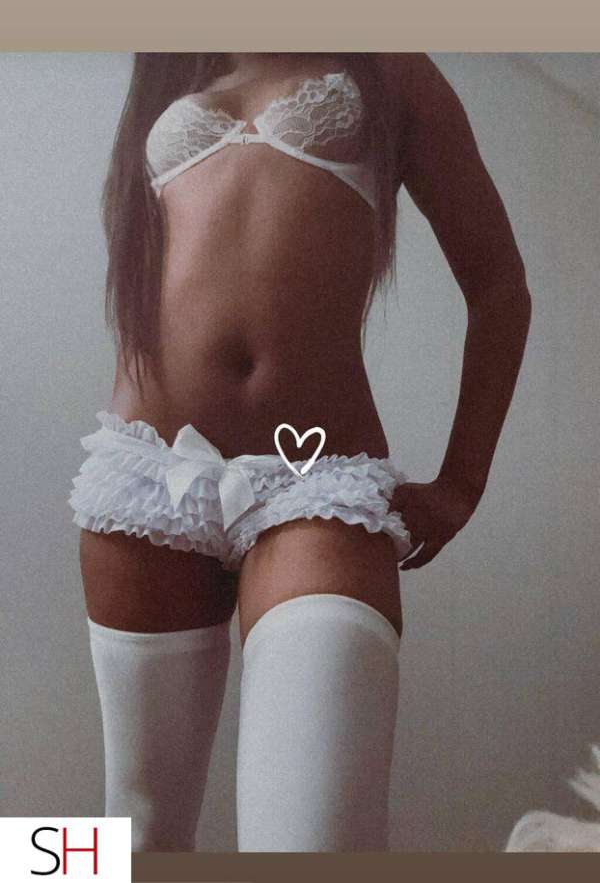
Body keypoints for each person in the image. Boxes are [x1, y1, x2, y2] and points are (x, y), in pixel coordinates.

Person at [68, 51, 531, 852]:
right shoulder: (172, 61)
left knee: (312, 844)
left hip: (316, 480)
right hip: (147, 472)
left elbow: (499, 287)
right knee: (128, 836)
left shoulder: (391, 68)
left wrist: (462, 481)